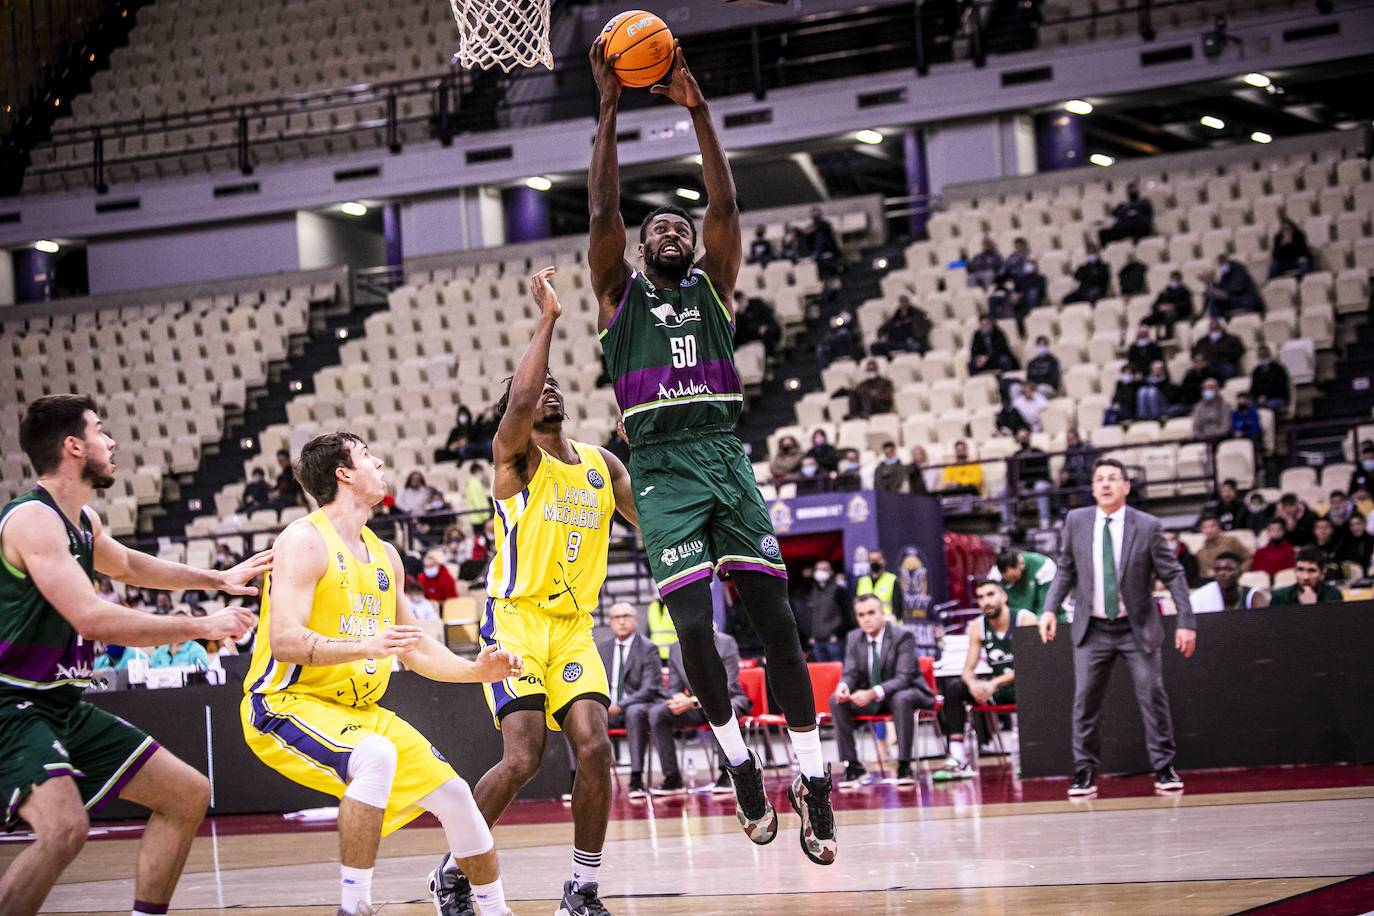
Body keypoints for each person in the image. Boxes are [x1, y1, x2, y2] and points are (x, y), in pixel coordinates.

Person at [593, 43, 834, 863]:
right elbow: (602, 217)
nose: (668, 229)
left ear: (695, 247)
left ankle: (812, 777)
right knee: (694, 630)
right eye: (655, 225)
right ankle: (738, 765)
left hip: (724, 459)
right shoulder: (617, 296)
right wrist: (610, 108)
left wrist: (698, 110)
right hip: (660, 471)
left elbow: (724, 201)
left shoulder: (715, 287)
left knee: (778, 625)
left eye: (680, 226)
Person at [0, 394, 265, 916]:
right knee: (64, 831)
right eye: (100, 431)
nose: (111, 440)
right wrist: (200, 625)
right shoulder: (33, 520)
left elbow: (129, 567)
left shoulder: (82, 520)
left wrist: (219, 579)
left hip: (63, 704)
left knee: (187, 794)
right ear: (74, 446)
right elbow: (91, 618)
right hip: (13, 705)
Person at [238, 432, 521, 916]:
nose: (381, 459)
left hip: (358, 709)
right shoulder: (304, 541)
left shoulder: (386, 556)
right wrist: (365, 645)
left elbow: (413, 647)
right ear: (343, 474)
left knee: (456, 797)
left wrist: (476, 671)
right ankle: (355, 907)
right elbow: (285, 640)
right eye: (368, 455)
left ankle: (496, 911)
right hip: (285, 702)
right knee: (376, 755)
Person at [432, 267, 640, 916]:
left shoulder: (603, 467)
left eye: (553, 383)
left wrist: (657, 453)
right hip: (516, 622)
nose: (545, 389)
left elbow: (658, 524)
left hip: (574, 626)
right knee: (523, 757)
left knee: (596, 747)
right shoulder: (516, 462)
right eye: (534, 385)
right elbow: (519, 404)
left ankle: (582, 889)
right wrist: (547, 321)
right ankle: (452, 869)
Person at [1038, 458, 1197, 797]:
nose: (1106, 484)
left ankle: (1164, 767)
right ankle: (1083, 772)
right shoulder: (1077, 521)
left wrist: (1186, 620)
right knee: (1085, 702)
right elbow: (1065, 569)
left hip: (1135, 627)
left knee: (1152, 695)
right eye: (1099, 479)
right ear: (1093, 488)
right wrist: (1049, 608)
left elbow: (1173, 574)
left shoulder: (1148, 525)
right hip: (1092, 629)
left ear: (1126, 486)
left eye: (1113, 479)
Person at [933, 579, 1037, 780]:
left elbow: (1030, 667)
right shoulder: (977, 626)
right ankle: (957, 758)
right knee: (954, 687)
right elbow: (968, 670)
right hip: (998, 688)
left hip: (1025, 686)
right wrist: (973, 685)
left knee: (1031, 684)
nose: (985, 601)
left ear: (1003, 596)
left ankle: (1031, 755)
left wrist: (993, 683)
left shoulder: (1025, 619)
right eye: (980, 597)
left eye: (990, 595)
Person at [831, 595, 933, 787]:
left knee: (901, 698)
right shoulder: (854, 638)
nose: (866, 619)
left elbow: (904, 678)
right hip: (875, 699)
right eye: (861, 615)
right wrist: (843, 687)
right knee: (836, 701)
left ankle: (905, 765)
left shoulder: (903, 636)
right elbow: (851, 674)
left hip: (908, 692)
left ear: (882, 614)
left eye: (871, 613)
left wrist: (871, 692)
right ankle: (853, 766)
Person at [649, 626, 752, 796]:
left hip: (729, 699)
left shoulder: (726, 643)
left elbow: (728, 686)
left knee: (722, 708)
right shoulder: (675, 648)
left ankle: (727, 773)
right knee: (658, 713)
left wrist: (693, 701)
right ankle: (672, 778)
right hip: (695, 707)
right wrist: (678, 698)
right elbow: (674, 688)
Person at [596, 602, 663, 798]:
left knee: (635, 713)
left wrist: (620, 705)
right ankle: (582, 779)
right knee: (577, 718)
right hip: (608, 709)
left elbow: (650, 687)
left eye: (627, 616)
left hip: (635, 707)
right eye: (617, 617)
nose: (622, 621)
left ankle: (636, 778)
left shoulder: (648, 648)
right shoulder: (602, 649)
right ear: (610, 622)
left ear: (636, 620)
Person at [796, 560, 853, 663]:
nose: (820, 572)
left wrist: (838, 634)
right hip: (816, 642)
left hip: (834, 641)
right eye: (818, 569)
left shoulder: (839, 590)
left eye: (824, 569)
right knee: (823, 674)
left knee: (838, 671)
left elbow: (848, 615)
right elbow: (806, 615)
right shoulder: (811, 592)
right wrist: (810, 635)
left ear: (831, 571)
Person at [1001, 428, 1052, 531]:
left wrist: (1027, 482)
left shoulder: (1039, 453)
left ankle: (1044, 520)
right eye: (1020, 438)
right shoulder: (1015, 456)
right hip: (1022, 489)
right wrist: (1016, 484)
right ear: (1018, 440)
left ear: (1029, 437)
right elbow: (1009, 475)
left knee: (1040, 486)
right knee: (1002, 491)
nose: (1023, 439)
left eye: (1025, 437)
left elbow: (1044, 474)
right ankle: (1008, 523)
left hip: (1037, 485)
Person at [989, 548, 1057, 622]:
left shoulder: (1044, 565)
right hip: (1013, 621)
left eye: (1013, 577)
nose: (1011, 581)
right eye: (1006, 580)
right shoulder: (995, 574)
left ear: (1021, 564)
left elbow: (1047, 602)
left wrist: (1036, 622)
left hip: (1041, 617)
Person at [1189, 551, 1269, 612]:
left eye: (1228, 569)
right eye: (1218, 569)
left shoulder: (1253, 596)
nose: (1222, 573)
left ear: (1240, 572)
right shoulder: (1202, 595)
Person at [1269, 547, 1344, 605]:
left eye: (1311, 570)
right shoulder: (1280, 597)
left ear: (1322, 574)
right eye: (1300, 569)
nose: (1306, 577)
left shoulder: (1333, 596)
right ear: (1295, 571)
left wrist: (1311, 608)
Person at [1097, 180, 1154, 246]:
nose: (1132, 191)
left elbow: (1148, 216)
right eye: (1130, 190)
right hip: (1123, 229)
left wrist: (1134, 214)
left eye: (1133, 189)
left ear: (1137, 191)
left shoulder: (1144, 201)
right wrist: (1101, 221)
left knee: (1139, 230)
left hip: (1138, 227)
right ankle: (1107, 253)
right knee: (1103, 233)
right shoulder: (1122, 205)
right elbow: (1112, 217)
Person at [1140, 270, 1194, 339]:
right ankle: (1144, 338)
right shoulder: (1165, 291)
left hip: (1177, 312)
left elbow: (1186, 304)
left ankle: (1167, 337)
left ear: (1180, 280)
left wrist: (1172, 306)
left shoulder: (1185, 291)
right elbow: (1154, 304)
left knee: (1169, 317)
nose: (1174, 281)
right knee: (1144, 321)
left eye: (1176, 279)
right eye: (1172, 279)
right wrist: (1160, 307)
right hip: (1162, 313)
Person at [1196, 514, 1252, 578]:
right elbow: (1203, 573)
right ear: (1202, 530)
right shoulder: (1201, 553)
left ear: (1218, 527)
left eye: (1212, 526)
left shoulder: (1231, 541)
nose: (1209, 530)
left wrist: (1239, 571)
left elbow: (1248, 558)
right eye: (1205, 527)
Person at [732, 290, 782, 358]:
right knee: (734, 339)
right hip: (752, 333)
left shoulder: (757, 303)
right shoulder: (739, 313)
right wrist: (740, 315)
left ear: (745, 297)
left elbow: (769, 315)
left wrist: (765, 326)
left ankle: (770, 358)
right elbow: (738, 329)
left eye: (742, 300)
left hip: (767, 327)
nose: (741, 303)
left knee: (766, 333)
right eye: (739, 301)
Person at [855, 549, 901, 622]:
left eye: (878, 559)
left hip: (888, 624)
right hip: (868, 624)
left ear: (884, 561)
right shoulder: (862, 581)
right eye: (872, 560)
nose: (875, 562)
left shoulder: (892, 580)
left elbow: (898, 607)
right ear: (868, 562)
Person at [1250, 344, 1290, 412]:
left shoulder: (1279, 369)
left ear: (1269, 355)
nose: (1263, 357)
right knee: (1250, 408)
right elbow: (1253, 388)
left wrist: (1266, 397)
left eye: (1265, 355)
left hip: (1277, 398)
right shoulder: (1256, 371)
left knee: (1269, 405)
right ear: (1258, 356)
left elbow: (1282, 388)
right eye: (1261, 355)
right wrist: (1259, 397)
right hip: (1261, 399)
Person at [465, 462, 493, 526]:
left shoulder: (472, 483)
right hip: (480, 519)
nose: (482, 474)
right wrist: (485, 518)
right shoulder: (474, 484)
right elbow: (477, 501)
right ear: (478, 471)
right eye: (482, 472)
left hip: (478, 517)